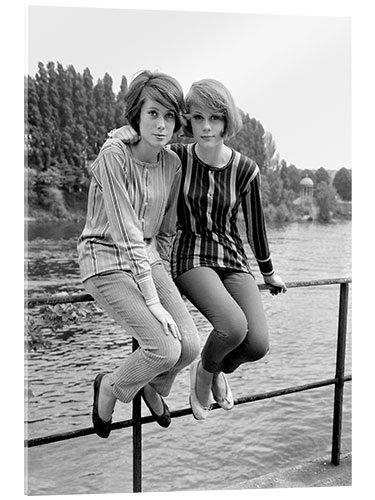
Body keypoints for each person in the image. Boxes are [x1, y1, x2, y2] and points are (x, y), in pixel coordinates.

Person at [111, 78, 287, 421]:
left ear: (227, 121)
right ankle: (205, 374)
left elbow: (255, 227)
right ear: (187, 121)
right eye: (198, 118)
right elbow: (144, 142)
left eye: (215, 118)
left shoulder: (245, 169)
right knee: (233, 327)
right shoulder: (176, 157)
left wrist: (267, 272)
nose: (206, 127)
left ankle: (211, 368)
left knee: (257, 344)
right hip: (191, 254)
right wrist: (123, 134)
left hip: (232, 257)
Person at [77, 70, 201, 438]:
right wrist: (153, 299)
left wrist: (158, 270)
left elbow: (165, 228)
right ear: (137, 114)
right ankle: (110, 387)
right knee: (163, 347)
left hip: (147, 258)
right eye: (152, 114)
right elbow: (127, 231)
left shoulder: (172, 164)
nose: (161, 125)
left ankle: (153, 386)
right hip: (105, 258)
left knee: (190, 345)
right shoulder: (114, 154)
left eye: (169, 116)